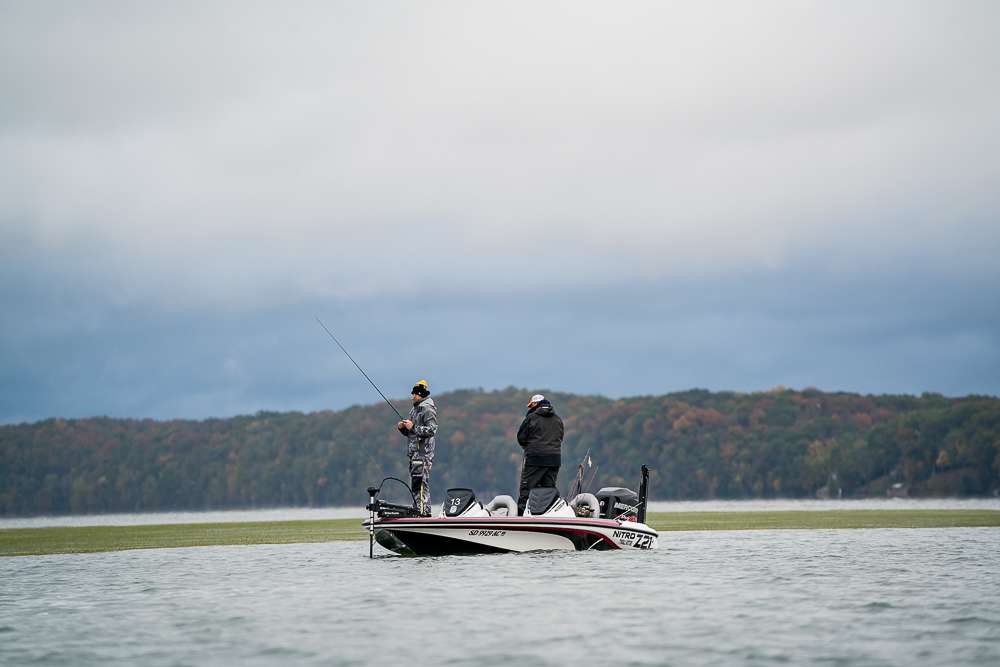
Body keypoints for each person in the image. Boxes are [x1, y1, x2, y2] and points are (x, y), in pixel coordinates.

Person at [515, 393, 564, 516]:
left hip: (535, 459)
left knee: (527, 490)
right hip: (554, 459)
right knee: (549, 490)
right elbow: (560, 438)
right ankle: (549, 516)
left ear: (536, 404)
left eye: (531, 405)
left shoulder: (531, 418)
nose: (530, 408)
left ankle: (521, 517)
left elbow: (521, 437)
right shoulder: (558, 419)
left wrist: (528, 448)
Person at [397, 379, 437, 516]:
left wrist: (413, 426)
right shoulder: (414, 410)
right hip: (414, 454)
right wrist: (403, 428)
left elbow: (432, 430)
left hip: (423, 453)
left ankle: (423, 512)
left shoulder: (427, 408)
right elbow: (412, 433)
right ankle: (418, 509)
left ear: (421, 394)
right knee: (416, 484)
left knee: (421, 484)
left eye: (415, 394)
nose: (412, 396)